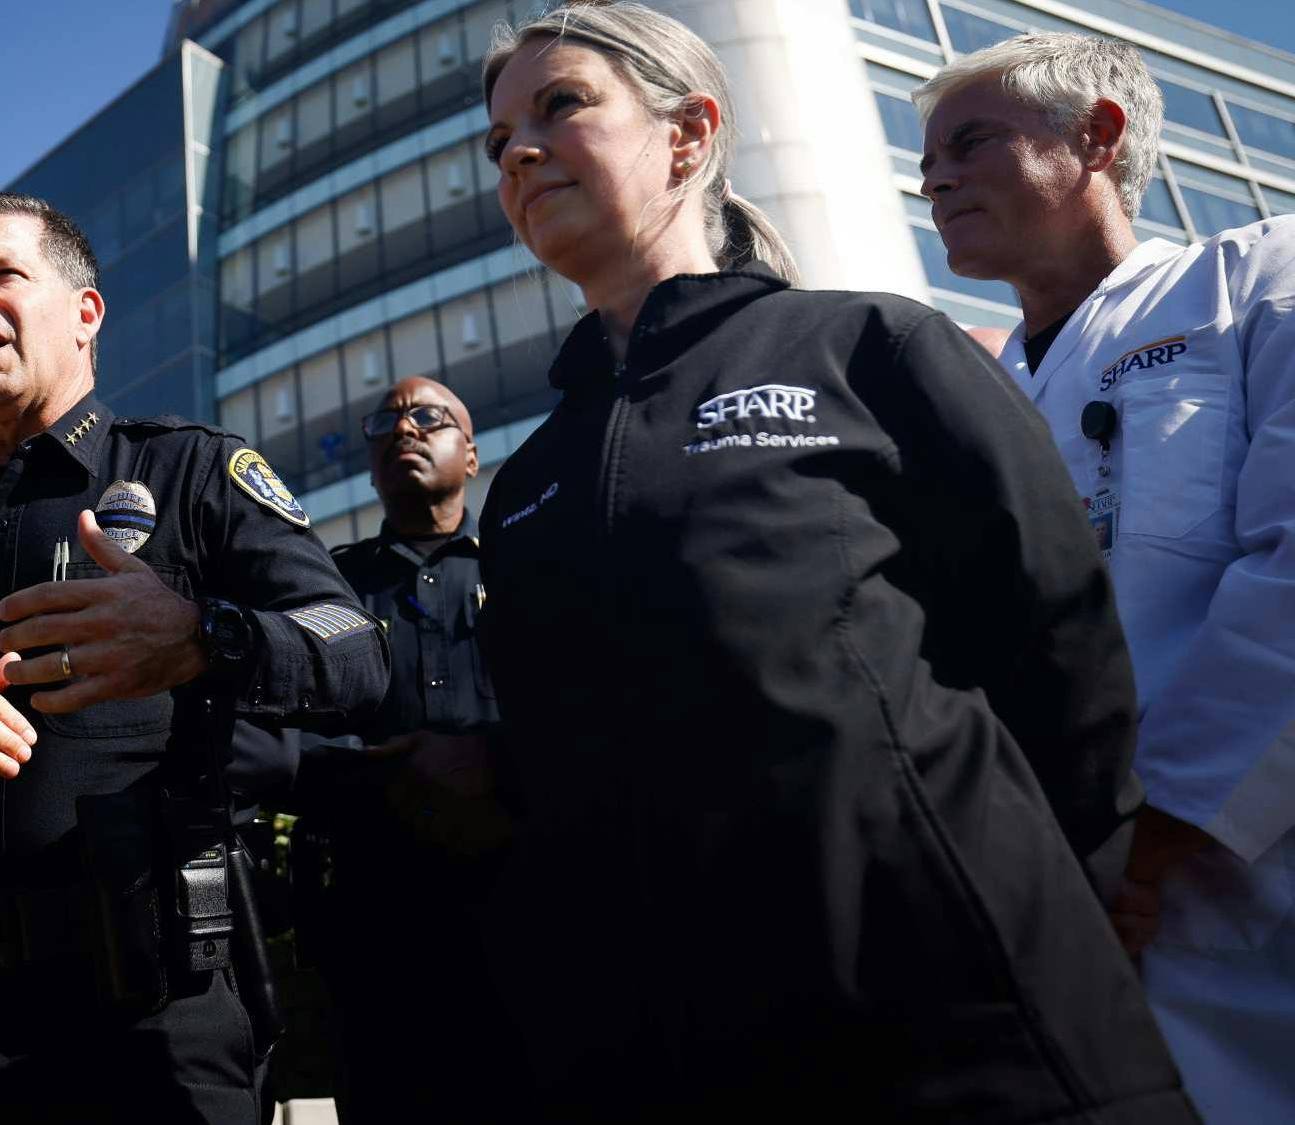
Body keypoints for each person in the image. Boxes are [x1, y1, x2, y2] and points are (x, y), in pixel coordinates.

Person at [471, 4, 1191, 1119]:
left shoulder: (870, 347)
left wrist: (1044, 904)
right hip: (666, 1060)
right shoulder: (521, 488)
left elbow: (1057, 646)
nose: (518, 150)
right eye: (499, 136)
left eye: (560, 106)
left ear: (688, 135)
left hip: (965, 1032)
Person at [0, 190, 387, 1125]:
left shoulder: (187, 471)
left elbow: (354, 650)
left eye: (2, 274)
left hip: (154, 1018)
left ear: (85, 312)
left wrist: (202, 637)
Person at [917, 34, 1295, 1123]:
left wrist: (1164, 826)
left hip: (1237, 879)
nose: (934, 176)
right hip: (1037, 909)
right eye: (927, 155)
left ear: (1097, 135)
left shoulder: (1255, 279)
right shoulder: (952, 391)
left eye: (969, 141)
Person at [287, 376, 521, 1121]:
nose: (405, 430)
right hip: (374, 924)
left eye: (428, 416)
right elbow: (285, 725)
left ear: (472, 453)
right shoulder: (328, 588)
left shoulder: (522, 570)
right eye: (385, 421)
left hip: (521, 910)